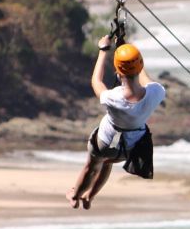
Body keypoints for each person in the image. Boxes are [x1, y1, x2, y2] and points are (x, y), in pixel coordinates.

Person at [66, 35, 165, 209]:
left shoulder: (113, 97)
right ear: (140, 66)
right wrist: (129, 52)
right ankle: (90, 196)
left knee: (92, 166)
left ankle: (75, 196)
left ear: (118, 72)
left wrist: (103, 50)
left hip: (106, 143)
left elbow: (96, 81)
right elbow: (147, 81)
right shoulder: (156, 93)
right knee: (107, 164)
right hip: (130, 149)